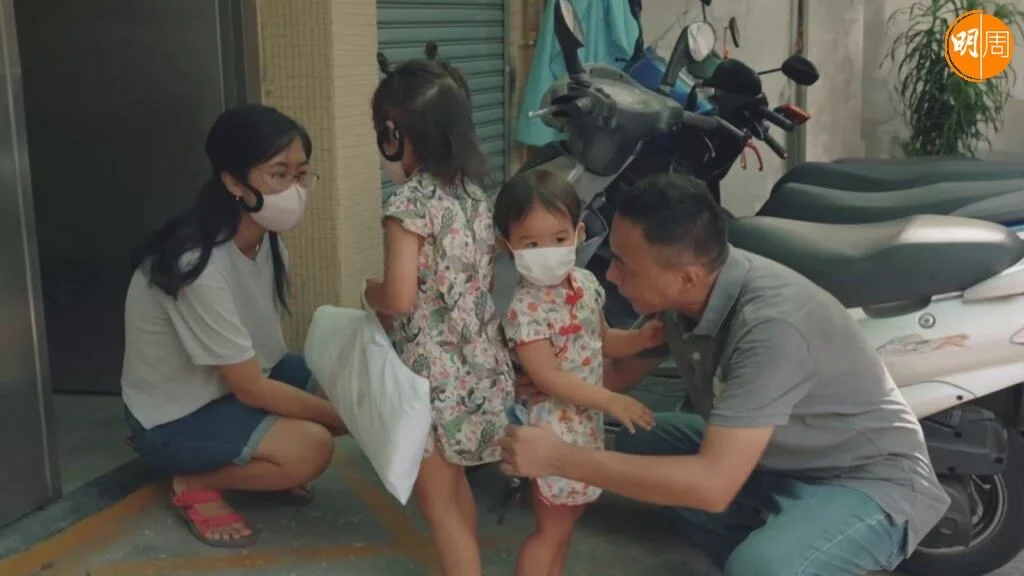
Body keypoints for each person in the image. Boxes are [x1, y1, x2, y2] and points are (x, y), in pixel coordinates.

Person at [498, 172, 952, 575]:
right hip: (776, 458)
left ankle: (801, 556)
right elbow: (614, 379)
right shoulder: (683, 299)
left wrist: (559, 458)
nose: (612, 277)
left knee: (761, 566)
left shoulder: (770, 327)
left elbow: (713, 487)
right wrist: (548, 383)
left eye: (623, 265)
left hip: (863, 477)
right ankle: (793, 549)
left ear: (687, 277)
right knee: (645, 440)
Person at [122, 104, 347, 548]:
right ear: (233, 182)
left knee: (344, 383)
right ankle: (194, 480)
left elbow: (261, 362)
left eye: (301, 175)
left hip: (230, 387)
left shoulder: (268, 245)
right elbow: (251, 389)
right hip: (176, 417)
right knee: (313, 447)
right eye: (278, 174)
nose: (295, 190)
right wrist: (348, 420)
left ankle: (256, 458)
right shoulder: (197, 264)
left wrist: (348, 405)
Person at [363, 53, 515, 576]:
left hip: (431, 381)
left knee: (440, 508)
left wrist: (368, 291)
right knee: (454, 494)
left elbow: (399, 298)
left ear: (393, 134)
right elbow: (480, 283)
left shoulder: (408, 204)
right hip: (481, 368)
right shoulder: (473, 196)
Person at [493, 169, 662, 576]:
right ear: (507, 246)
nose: (547, 251)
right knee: (552, 530)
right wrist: (610, 399)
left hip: (585, 426)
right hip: (551, 431)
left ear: (579, 233)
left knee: (566, 527)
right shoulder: (525, 309)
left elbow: (602, 340)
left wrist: (639, 339)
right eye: (531, 243)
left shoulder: (585, 283)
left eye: (558, 239)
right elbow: (547, 377)